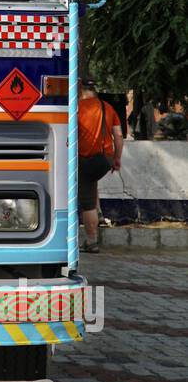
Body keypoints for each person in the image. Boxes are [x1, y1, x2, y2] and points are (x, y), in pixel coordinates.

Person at [77, 79, 123, 252]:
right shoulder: (107, 107)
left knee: (87, 203)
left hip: (85, 160)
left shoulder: (77, 108)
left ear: (81, 90)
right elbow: (118, 136)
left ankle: (91, 241)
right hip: (105, 160)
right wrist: (117, 159)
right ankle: (100, 214)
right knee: (91, 185)